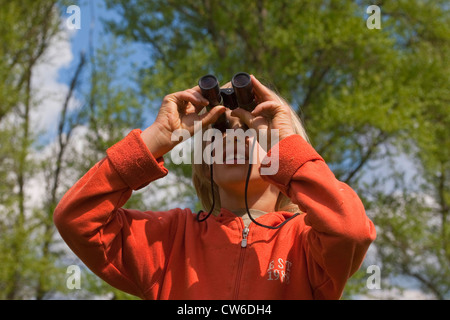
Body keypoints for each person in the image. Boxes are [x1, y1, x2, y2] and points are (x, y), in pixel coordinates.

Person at [54, 75, 376, 300]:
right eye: (220, 132)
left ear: (284, 149)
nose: (234, 138)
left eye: (250, 129)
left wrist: (285, 146)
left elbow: (350, 230)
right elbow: (77, 218)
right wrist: (155, 140)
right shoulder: (170, 241)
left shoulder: (306, 245)